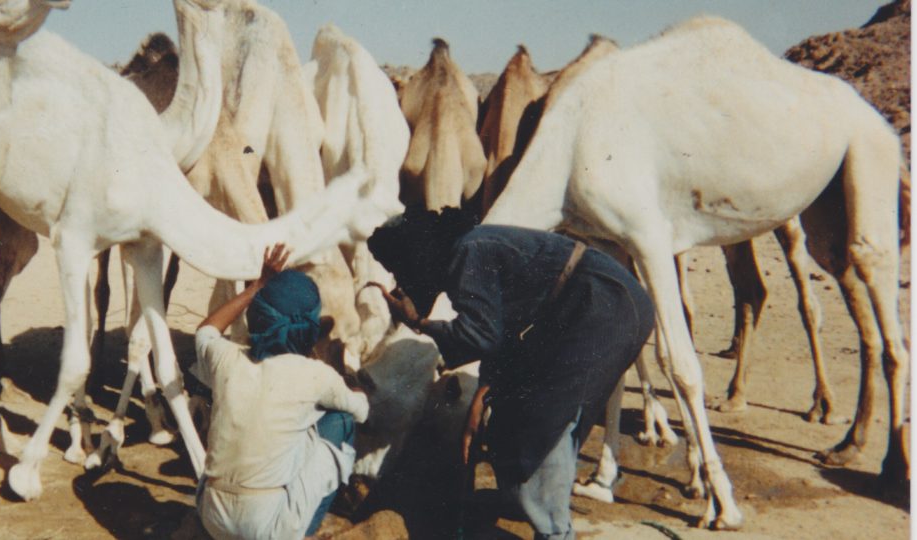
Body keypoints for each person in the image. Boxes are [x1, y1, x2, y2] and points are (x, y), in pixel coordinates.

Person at [366, 208, 655, 540]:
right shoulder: (471, 248)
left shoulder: (467, 253)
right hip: (604, 301)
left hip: (600, 303)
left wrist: (420, 323)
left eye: (398, 268)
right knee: (530, 415)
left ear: (415, 254)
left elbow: (481, 336)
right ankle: (536, 511)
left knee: (544, 419)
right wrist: (483, 394)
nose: (402, 280)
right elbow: (504, 333)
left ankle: (554, 531)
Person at [192, 244, 370, 540]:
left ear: (257, 314)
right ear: (312, 325)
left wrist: (259, 285)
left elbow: (206, 330)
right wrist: (350, 379)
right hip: (266, 529)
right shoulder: (315, 375)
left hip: (212, 517)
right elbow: (361, 409)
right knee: (341, 420)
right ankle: (306, 529)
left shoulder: (226, 359)